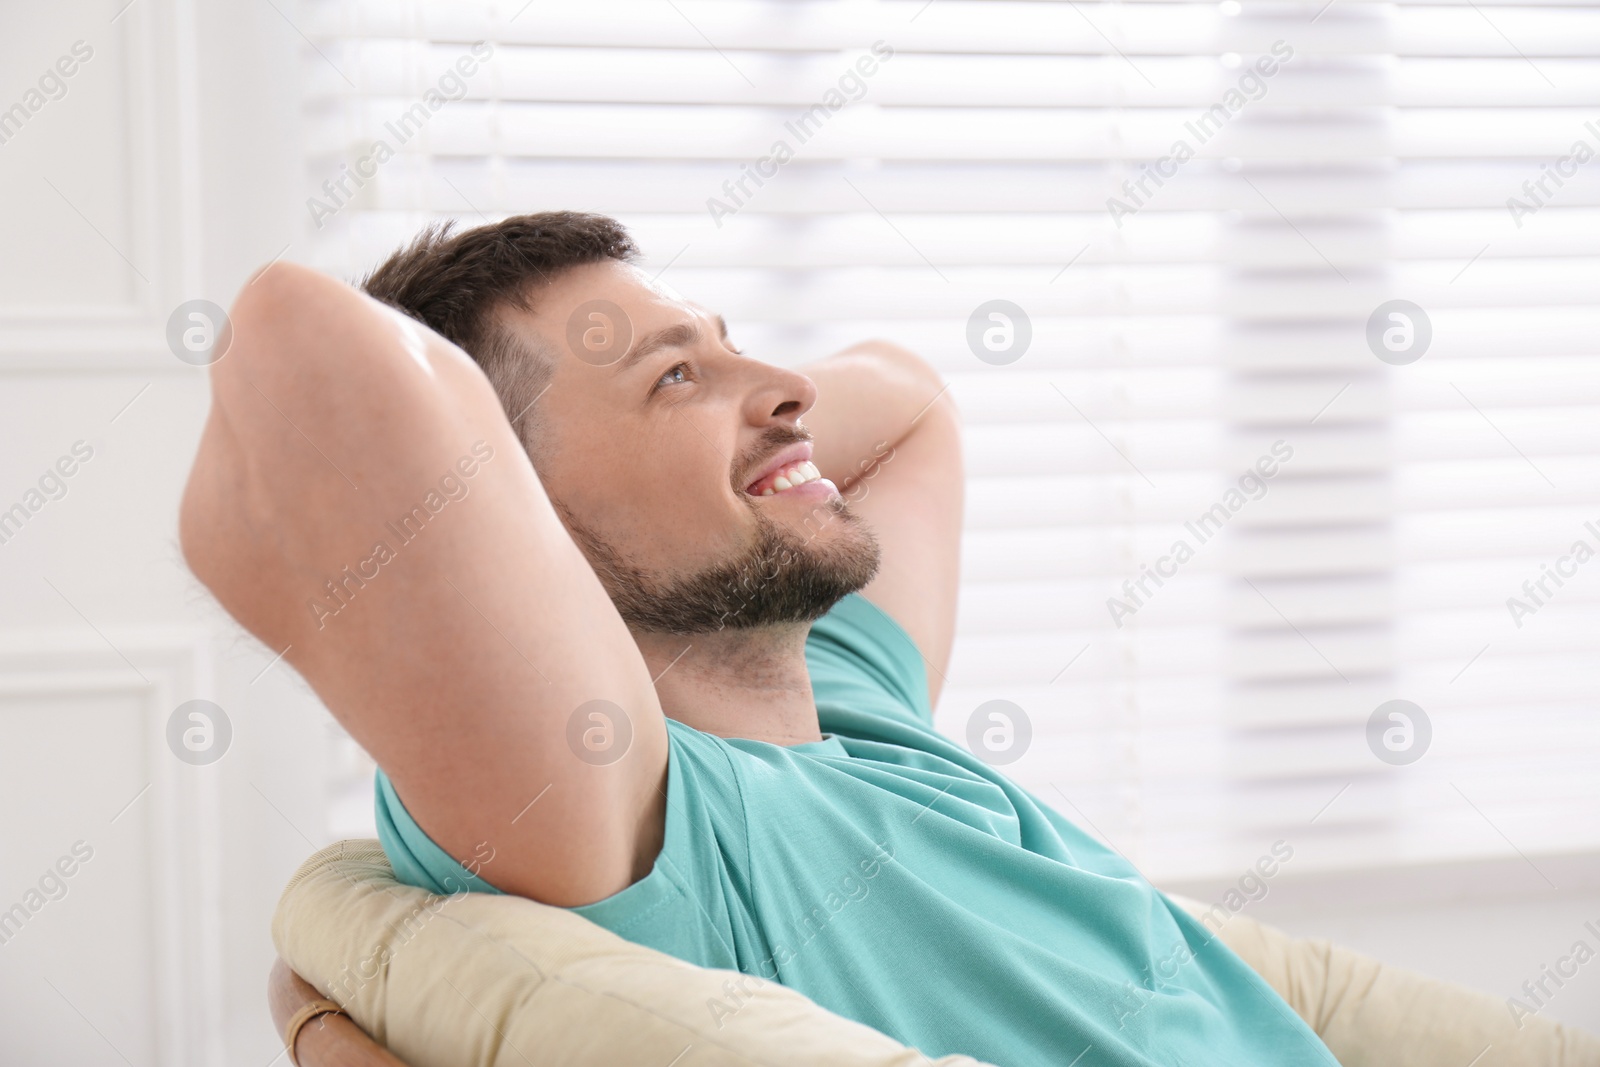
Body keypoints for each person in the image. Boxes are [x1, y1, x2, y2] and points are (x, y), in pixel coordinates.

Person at [179, 213, 1569, 1066]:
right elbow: (303, 341)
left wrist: (709, 406)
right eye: (679, 375)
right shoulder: (621, 814)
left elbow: (908, 402)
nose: (789, 390)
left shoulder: (853, 695)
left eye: (739, 347)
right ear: (507, 522)